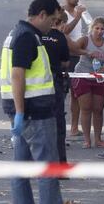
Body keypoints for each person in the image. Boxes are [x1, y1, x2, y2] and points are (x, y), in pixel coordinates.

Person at [0, 0, 62, 203]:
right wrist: (20, 111)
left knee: (21, 168)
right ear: (42, 14)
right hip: (35, 114)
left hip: (24, 113)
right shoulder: (27, 36)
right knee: (47, 169)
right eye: (53, 20)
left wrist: (18, 113)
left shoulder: (16, 33)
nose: (53, 26)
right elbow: (18, 74)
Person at [72, 17, 104, 149]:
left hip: (98, 77)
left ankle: (98, 139)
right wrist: (87, 52)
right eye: (97, 28)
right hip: (83, 75)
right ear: (92, 29)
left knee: (98, 109)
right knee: (86, 108)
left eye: (102, 29)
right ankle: (86, 140)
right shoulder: (85, 39)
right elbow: (73, 49)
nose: (99, 31)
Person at [41, 11, 70, 163]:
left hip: (37, 88)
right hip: (55, 84)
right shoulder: (59, 37)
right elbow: (66, 61)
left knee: (39, 126)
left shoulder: (35, 36)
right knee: (58, 126)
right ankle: (60, 164)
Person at [62, 0, 86, 137]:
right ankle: (61, 126)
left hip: (79, 56)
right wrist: (77, 16)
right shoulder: (62, 13)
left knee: (76, 94)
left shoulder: (79, 13)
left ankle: (74, 127)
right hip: (67, 56)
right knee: (63, 92)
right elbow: (65, 30)